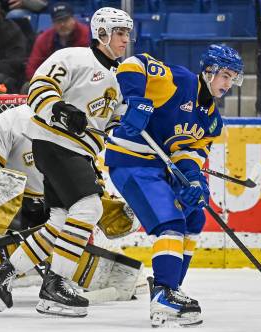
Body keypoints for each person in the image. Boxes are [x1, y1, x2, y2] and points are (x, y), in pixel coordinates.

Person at [0, 7, 134, 318]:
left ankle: (3, 275)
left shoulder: (120, 78)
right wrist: (60, 109)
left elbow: (114, 123)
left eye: (128, 33)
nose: (125, 39)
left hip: (81, 152)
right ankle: (55, 285)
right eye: (119, 32)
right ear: (101, 33)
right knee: (90, 208)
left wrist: (129, 134)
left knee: (60, 221)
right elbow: (39, 88)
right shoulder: (73, 58)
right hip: (56, 143)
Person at [0, 104, 141, 306]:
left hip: (53, 204)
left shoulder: (74, 122)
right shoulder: (11, 121)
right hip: (12, 205)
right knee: (0, 253)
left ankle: (50, 281)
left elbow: (87, 176)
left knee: (66, 250)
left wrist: (101, 203)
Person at [104, 44, 244, 327]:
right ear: (209, 71)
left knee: (194, 216)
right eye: (225, 75)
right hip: (133, 160)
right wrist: (135, 100)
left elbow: (190, 153)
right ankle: (165, 294)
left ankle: (169, 288)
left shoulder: (211, 119)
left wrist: (194, 181)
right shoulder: (180, 81)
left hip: (160, 166)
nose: (228, 84)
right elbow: (134, 64)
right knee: (170, 221)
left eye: (233, 78)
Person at [25, 2, 90, 81]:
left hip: (80, 81)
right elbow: (32, 69)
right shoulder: (44, 39)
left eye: (66, 20)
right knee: (27, 87)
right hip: (50, 82)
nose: (62, 24)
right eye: (58, 21)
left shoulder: (86, 35)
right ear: (53, 23)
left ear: (73, 19)